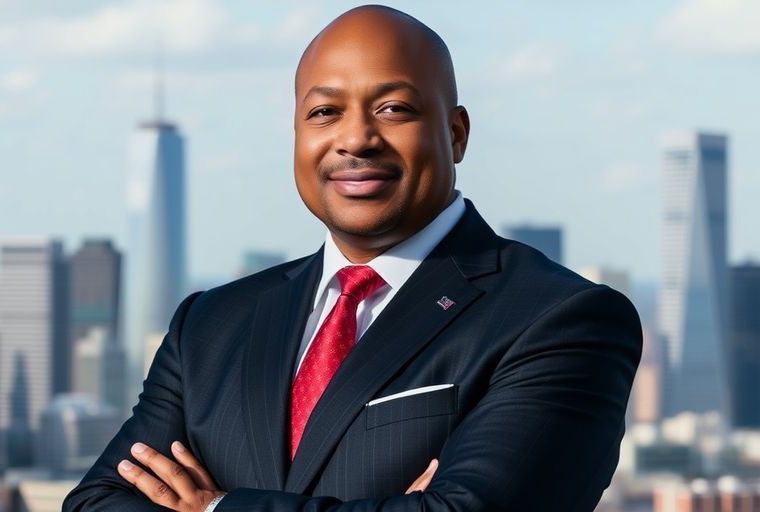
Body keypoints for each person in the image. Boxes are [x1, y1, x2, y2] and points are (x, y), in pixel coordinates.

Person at [64, 5, 641, 511]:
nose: (356, 138)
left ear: (457, 133)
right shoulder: (211, 325)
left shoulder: (559, 319)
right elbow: (95, 503)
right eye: (324, 113)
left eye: (393, 108)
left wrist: (215, 507)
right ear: (295, 135)